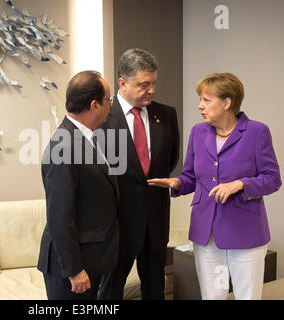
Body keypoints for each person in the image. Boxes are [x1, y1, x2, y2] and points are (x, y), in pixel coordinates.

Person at [148, 72, 281, 300]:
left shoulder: (257, 132)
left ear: (227, 103)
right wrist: (178, 182)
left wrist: (240, 184)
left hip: (245, 235)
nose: (200, 106)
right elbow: (191, 176)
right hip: (206, 235)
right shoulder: (198, 133)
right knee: (212, 297)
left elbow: (272, 179)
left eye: (206, 100)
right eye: (200, 99)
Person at [98, 48, 180, 300]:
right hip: (118, 224)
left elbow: (171, 158)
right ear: (122, 83)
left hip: (155, 221)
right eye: (144, 85)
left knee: (155, 288)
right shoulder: (101, 117)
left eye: (154, 83)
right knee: (111, 290)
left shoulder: (166, 114)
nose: (152, 90)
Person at [37, 70, 119, 300]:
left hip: (90, 260)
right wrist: (74, 269)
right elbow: (60, 216)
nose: (110, 106)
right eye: (108, 100)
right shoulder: (64, 146)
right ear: (94, 105)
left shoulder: (88, 138)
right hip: (71, 270)